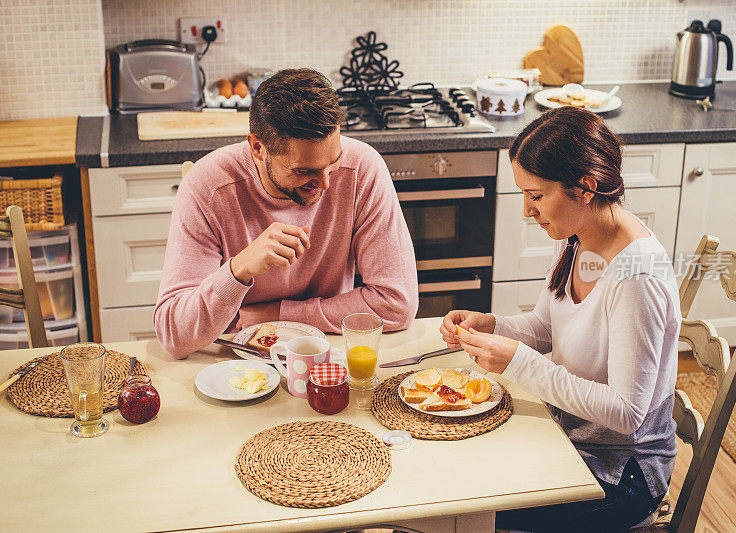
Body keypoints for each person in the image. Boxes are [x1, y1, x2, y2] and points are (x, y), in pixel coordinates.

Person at [440, 106, 679, 531]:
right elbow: (548, 328)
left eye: (536, 195)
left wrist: (518, 361)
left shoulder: (636, 278)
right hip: (567, 436)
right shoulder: (575, 235)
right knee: (453, 469)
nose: (527, 212)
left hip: (621, 474)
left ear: (584, 188)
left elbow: (627, 414)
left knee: (463, 507)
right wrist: (491, 325)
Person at [155, 68, 418, 359]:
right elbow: (173, 335)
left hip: (327, 353)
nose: (326, 184)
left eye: (333, 162)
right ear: (258, 148)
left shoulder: (363, 169)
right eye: (304, 171)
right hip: (231, 361)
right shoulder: (207, 187)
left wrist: (278, 314)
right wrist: (239, 269)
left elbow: (397, 303)